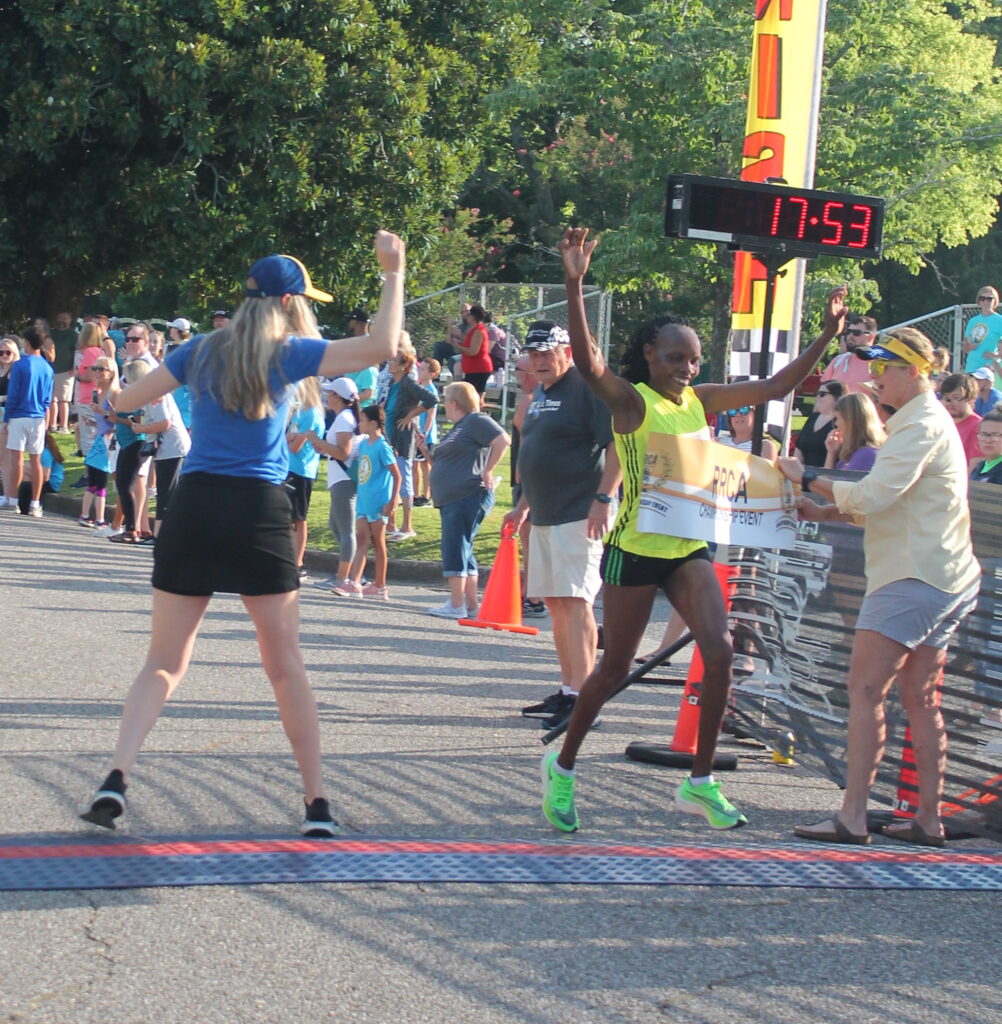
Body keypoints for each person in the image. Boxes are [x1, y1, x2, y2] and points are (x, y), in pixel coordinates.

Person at [78, 232, 405, 836]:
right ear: (288, 303)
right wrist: (393, 270)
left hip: (196, 503)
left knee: (163, 663)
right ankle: (316, 807)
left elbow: (126, 400)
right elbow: (383, 346)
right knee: (284, 667)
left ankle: (116, 777)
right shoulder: (291, 353)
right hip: (258, 508)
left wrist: (108, 389)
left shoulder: (198, 349)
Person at [539, 226, 847, 835]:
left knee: (720, 650)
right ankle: (563, 763)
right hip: (635, 548)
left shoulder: (699, 401)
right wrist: (575, 284)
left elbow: (778, 386)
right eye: (676, 357)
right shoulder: (631, 402)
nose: (688, 366)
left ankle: (699, 782)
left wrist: (827, 335)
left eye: (694, 357)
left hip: (688, 547)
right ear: (650, 356)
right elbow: (591, 361)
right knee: (613, 669)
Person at [777, 327, 980, 847]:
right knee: (920, 697)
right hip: (944, 575)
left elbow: (872, 495)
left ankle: (852, 817)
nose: (874, 377)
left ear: (915, 370)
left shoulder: (920, 426)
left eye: (885, 368)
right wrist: (827, 508)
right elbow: (893, 504)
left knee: (866, 691)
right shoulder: (922, 422)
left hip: (913, 576)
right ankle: (927, 820)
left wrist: (805, 478)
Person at [503, 320, 619, 732]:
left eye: (546, 353)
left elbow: (617, 443)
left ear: (567, 352)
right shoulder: (541, 394)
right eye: (533, 355)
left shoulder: (587, 388)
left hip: (578, 512)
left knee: (575, 602)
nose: (539, 362)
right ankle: (569, 690)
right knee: (554, 603)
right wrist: (523, 507)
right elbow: (539, 452)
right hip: (547, 513)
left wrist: (603, 499)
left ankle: (585, 697)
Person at [420, 381, 510, 617]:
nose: (443, 406)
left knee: (456, 546)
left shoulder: (476, 420)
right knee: (464, 548)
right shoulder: (459, 427)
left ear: (453, 403)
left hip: (466, 495)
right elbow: (447, 463)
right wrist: (426, 452)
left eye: (445, 401)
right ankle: (470, 605)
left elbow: (502, 440)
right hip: (453, 497)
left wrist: (488, 469)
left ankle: (456, 604)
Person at [309, 377, 362, 596]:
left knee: (346, 530)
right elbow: (340, 450)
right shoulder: (346, 417)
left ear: (337, 397)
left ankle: (343, 578)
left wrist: (316, 440)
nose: (326, 397)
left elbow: (344, 453)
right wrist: (325, 447)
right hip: (341, 478)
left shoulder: (343, 419)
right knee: (336, 526)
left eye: (329, 393)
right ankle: (350, 571)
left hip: (343, 480)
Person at [345, 404, 401, 600]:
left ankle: (380, 585)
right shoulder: (363, 445)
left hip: (378, 502)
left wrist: (392, 501)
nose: (359, 423)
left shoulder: (382, 446)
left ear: (373, 423)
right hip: (364, 500)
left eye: (362, 420)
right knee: (362, 539)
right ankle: (355, 581)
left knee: (378, 543)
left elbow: (397, 475)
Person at [384, 348, 438, 541]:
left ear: (404, 366)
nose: (390, 362)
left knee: (404, 481)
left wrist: (410, 416)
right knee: (391, 481)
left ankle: (408, 526)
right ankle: (391, 523)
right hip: (390, 438)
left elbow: (432, 400)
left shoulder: (408, 383)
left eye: (394, 360)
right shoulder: (393, 382)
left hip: (403, 439)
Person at [2, 326, 54, 515]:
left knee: (17, 459)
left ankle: (13, 500)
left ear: (27, 342)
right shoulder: (47, 367)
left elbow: (13, 394)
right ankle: (35, 503)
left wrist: (7, 418)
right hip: (38, 417)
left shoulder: (20, 366)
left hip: (19, 415)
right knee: (36, 460)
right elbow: (48, 398)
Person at [285, 376, 325, 576]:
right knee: (289, 518)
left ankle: (298, 562)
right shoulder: (298, 412)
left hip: (302, 470)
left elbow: (294, 446)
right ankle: (289, 559)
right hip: (289, 469)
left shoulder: (311, 414)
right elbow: (286, 437)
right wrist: (287, 438)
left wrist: (288, 439)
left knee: (299, 517)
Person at [823, 392, 885, 472]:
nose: (836, 423)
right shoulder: (852, 452)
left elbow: (829, 482)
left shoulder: (866, 455)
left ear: (850, 420)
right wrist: (831, 453)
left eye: (838, 418)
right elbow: (827, 478)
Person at [820, 315, 877, 394]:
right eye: (848, 332)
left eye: (856, 333)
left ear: (870, 337)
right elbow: (824, 392)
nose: (850, 336)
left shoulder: (880, 364)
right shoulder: (838, 361)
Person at [793, 381, 845, 466]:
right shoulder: (813, 417)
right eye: (817, 394)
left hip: (828, 474)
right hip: (803, 473)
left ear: (836, 396)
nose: (817, 398)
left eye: (822, 394)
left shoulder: (840, 422)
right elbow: (799, 447)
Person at [938, 372, 983, 467]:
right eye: (946, 398)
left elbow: (974, 469)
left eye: (956, 397)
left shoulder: (979, 427)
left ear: (971, 399)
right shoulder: (942, 424)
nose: (949, 402)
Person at [413, 357, 440, 507]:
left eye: (423, 369)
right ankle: (415, 494)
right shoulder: (417, 388)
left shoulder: (431, 391)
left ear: (432, 374)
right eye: (419, 368)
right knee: (414, 464)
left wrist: (425, 432)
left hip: (425, 434)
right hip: (414, 432)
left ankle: (426, 495)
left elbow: (431, 415)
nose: (420, 372)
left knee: (425, 465)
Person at [453, 303, 493, 397]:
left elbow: (473, 351)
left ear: (474, 317)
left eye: (469, 314)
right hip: (473, 370)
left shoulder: (478, 331)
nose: (467, 316)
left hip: (479, 370)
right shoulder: (473, 330)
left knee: (473, 398)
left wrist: (458, 346)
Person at [49, 311, 79, 434]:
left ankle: (64, 426)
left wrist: (74, 368)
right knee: (52, 400)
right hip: (51, 370)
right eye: (60, 318)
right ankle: (52, 425)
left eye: (65, 318)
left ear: (70, 320)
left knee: (64, 400)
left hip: (66, 371)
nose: (62, 320)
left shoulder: (73, 335)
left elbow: (77, 352)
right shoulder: (51, 333)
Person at [963, 286, 1002, 374]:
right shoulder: (973, 321)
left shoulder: (1000, 320)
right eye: (982, 298)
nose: (985, 301)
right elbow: (965, 348)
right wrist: (969, 346)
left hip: (988, 369)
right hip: (971, 367)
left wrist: (995, 356)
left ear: (995, 301)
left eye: (989, 299)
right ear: (978, 300)